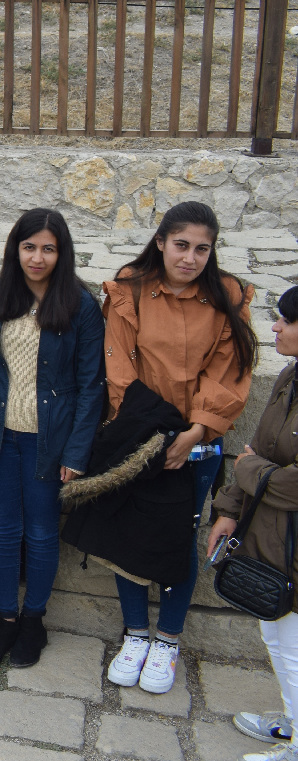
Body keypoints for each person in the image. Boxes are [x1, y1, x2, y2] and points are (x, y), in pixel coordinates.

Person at [93, 200, 255, 695]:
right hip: (139, 433)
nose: (190, 258)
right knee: (127, 533)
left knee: (180, 537)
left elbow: (228, 370)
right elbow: (119, 366)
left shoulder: (228, 296)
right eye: (181, 245)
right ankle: (136, 633)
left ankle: (168, 640)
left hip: (197, 444)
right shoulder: (129, 289)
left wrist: (196, 431)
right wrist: (154, 434)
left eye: (202, 249)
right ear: (161, 242)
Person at [0, 208, 105, 669]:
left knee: (40, 532)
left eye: (48, 249)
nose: (37, 257)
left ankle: (34, 620)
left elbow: (92, 384)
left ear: (62, 252)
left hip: (49, 441)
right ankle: (6, 619)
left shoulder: (80, 305)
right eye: (29, 247)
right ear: (16, 248)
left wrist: (76, 451)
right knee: (1, 530)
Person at [212, 287, 298, 756]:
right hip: (267, 532)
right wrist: (228, 509)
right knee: (275, 629)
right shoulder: (290, 375)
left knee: (294, 643)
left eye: (286, 320)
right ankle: (292, 720)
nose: (276, 328)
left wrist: (247, 471)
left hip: (292, 541)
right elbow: (263, 450)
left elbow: (263, 468)